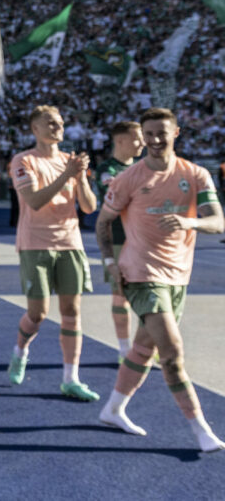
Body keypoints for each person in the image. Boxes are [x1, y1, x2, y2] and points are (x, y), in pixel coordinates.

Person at [96, 108, 225, 452]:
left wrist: (189, 223)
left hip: (178, 275)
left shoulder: (195, 174)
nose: (154, 140)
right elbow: (102, 222)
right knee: (171, 352)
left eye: (161, 133)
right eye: (148, 133)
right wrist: (110, 261)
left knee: (143, 348)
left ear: (176, 133)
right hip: (140, 274)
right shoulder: (128, 178)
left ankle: (113, 409)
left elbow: (218, 221)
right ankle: (201, 431)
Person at [7, 105, 99, 401]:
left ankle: (71, 378)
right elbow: (34, 201)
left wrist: (80, 177)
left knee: (72, 312)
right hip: (35, 243)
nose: (56, 127)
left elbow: (88, 207)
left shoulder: (70, 162)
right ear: (35, 129)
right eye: (49, 122)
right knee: (38, 314)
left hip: (70, 242)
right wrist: (66, 175)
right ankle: (21, 350)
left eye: (59, 122)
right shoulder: (23, 161)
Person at [93, 121, 144, 359]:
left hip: (145, 241)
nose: (143, 143)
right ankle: (124, 349)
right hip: (119, 240)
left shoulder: (145, 166)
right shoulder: (108, 168)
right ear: (120, 140)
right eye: (137, 138)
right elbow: (116, 198)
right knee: (120, 295)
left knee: (149, 295)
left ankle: (145, 345)